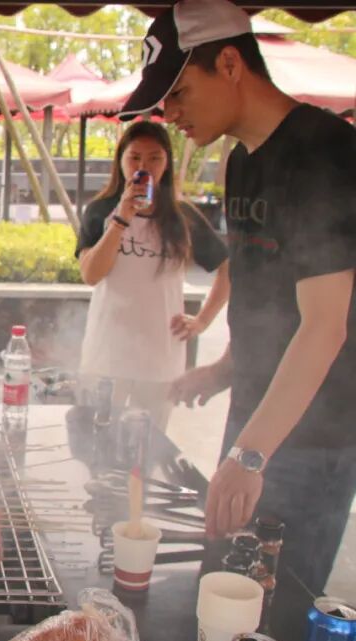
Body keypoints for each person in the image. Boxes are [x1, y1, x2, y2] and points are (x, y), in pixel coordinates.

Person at [121, 0, 355, 594]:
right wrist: (225, 369)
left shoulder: (325, 152)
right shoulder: (241, 163)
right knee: (221, 591)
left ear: (229, 63)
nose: (170, 115)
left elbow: (325, 325)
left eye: (178, 93)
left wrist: (250, 455)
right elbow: (264, 294)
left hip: (312, 435)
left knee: (273, 608)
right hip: (255, 417)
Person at [76, 120, 229, 432]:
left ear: (167, 163)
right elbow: (91, 274)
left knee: (148, 445)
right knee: (97, 441)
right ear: (120, 161)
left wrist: (203, 320)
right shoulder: (101, 210)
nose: (143, 167)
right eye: (134, 157)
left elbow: (228, 268)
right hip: (107, 352)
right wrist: (121, 218)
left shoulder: (182, 216)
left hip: (160, 356)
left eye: (154, 158)